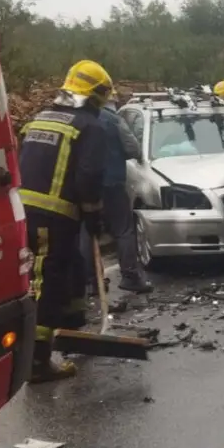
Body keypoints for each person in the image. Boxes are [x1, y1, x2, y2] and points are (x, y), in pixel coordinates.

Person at [17, 60, 112, 383]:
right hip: (52, 216)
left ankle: (71, 327)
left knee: (72, 266)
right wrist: (95, 217)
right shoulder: (91, 127)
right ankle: (38, 361)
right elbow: (89, 177)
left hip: (25, 210)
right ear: (97, 95)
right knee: (48, 281)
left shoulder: (40, 119)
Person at [81, 92, 153, 296]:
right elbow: (133, 149)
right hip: (112, 183)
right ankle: (130, 276)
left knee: (87, 232)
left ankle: (91, 282)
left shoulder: (79, 119)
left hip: (86, 185)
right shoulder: (113, 120)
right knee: (123, 230)